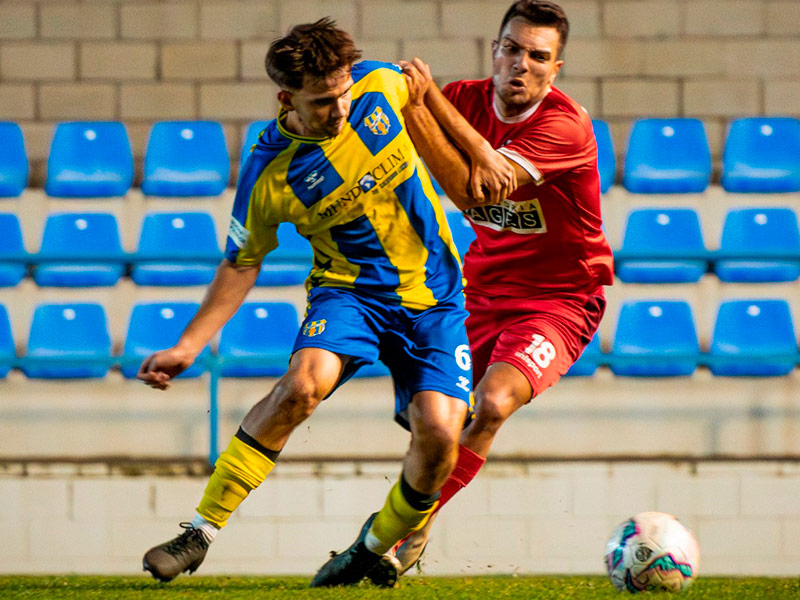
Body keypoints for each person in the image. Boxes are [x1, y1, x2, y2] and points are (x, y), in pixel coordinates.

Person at [137, 18, 478, 588]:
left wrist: (479, 154)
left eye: (343, 94)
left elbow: (426, 99)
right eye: (322, 102)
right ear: (286, 98)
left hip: (436, 299)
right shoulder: (268, 171)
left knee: (441, 434)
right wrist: (188, 344)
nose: (340, 110)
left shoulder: (379, 86)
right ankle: (199, 533)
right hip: (349, 293)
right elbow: (242, 262)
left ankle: (376, 544)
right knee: (301, 386)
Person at [366, 0, 614, 585]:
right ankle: (401, 527)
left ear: (556, 69)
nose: (521, 64)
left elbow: (479, 190)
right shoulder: (466, 98)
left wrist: (428, 104)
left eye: (538, 56)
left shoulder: (564, 125)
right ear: (494, 49)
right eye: (511, 48)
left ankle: (405, 529)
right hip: (478, 284)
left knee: (493, 403)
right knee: (434, 421)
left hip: (560, 296)